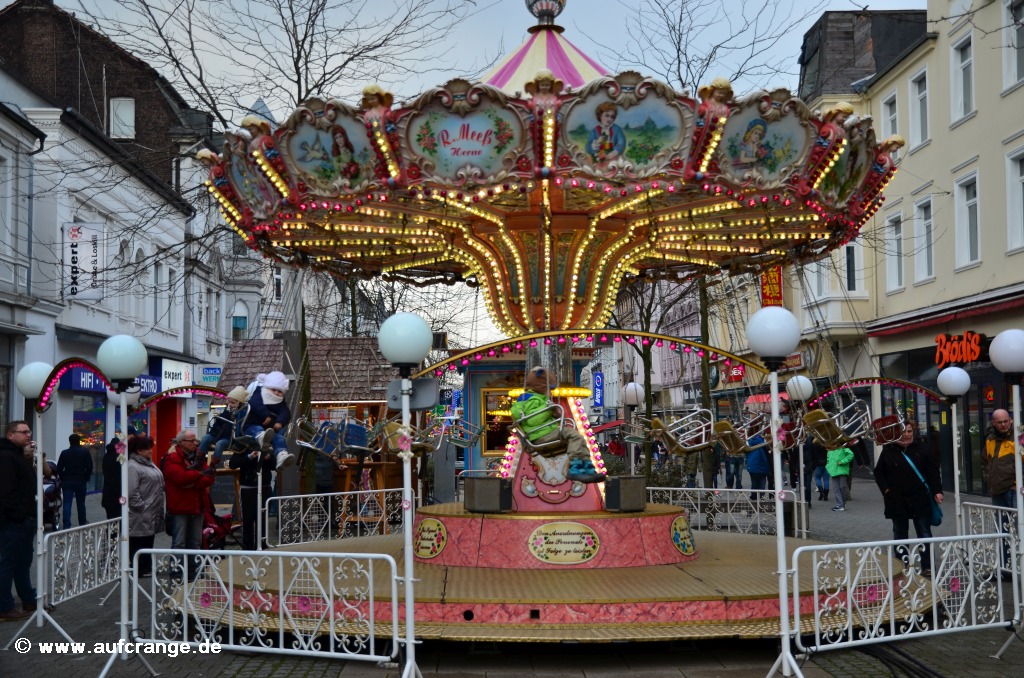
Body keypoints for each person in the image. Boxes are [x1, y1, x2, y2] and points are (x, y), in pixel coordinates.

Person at [510, 366, 604, 483]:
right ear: (541, 387)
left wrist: (554, 414)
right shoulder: (531, 400)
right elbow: (533, 420)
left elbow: (540, 417)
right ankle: (576, 469)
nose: (550, 392)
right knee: (575, 436)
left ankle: (587, 469)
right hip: (540, 436)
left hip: (542, 433)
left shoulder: (537, 399)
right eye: (549, 389)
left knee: (576, 440)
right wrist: (549, 409)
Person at [874, 422, 943, 575]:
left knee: (924, 533)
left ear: (913, 432)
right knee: (900, 534)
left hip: (920, 498)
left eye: (909, 431)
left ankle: (928, 567)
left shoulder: (923, 448)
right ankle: (901, 567)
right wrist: (886, 490)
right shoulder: (889, 449)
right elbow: (879, 472)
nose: (906, 435)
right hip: (897, 499)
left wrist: (937, 491)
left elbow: (933, 472)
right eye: (903, 431)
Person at [162, 429, 215, 574]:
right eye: (191, 441)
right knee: (179, 541)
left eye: (195, 440)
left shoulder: (198, 455)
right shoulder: (172, 457)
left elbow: (210, 476)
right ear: (181, 442)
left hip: (198, 504)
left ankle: (194, 570)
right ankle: (177, 572)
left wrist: (193, 482)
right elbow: (180, 478)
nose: (195, 443)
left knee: (196, 541)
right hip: (180, 506)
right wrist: (199, 474)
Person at [0, 420, 37, 620]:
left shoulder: (19, 455)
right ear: (11, 435)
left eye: (29, 431)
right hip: (13, 521)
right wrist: (20, 516)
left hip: (25, 519)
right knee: (8, 563)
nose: (28, 435)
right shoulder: (6, 456)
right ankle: (4, 606)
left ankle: (28, 599)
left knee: (23, 562)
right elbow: (7, 492)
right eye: (23, 432)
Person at [238, 371, 296, 470]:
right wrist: (266, 415)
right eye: (274, 390)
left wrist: (280, 421)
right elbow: (255, 403)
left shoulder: (280, 402)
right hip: (251, 426)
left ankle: (281, 455)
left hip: (269, 431)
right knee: (257, 428)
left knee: (279, 438)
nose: (276, 393)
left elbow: (285, 412)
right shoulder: (259, 393)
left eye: (280, 391)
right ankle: (261, 437)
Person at [982, 409, 1017, 570]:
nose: (1003, 425)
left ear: (1010, 420)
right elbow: (985, 462)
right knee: (1002, 531)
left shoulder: (1019, 437)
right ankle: (1005, 568)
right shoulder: (990, 439)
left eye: (1005, 421)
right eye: (999, 422)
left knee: (1018, 529)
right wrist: (988, 479)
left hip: (1014, 490)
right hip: (997, 491)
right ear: (994, 423)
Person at [126, 436, 164, 578]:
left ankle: (146, 567)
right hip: (141, 512)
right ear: (138, 450)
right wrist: (141, 506)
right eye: (146, 448)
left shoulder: (149, 463)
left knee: (148, 539)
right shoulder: (132, 466)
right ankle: (139, 568)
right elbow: (131, 490)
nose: (150, 451)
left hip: (151, 511)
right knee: (139, 541)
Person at [229, 434, 275, 550]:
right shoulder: (243, 445)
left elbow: (275, 465)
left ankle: (263, 545)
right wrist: (249, 457)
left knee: (263, 519)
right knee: (248, 520)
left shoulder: (268, 446)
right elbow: (233, 464)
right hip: (248, 488)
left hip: (265, 487)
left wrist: (268, 458)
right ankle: (248, 548)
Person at [199, 386, 249, 469]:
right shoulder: (226, 411)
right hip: (218, 434)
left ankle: (212, 466)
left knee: (220, 444)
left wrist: (233, 415)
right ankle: (199, 461)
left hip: (229, 438)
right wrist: (211, 434)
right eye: (229, 402)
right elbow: (218, 424)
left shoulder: (241, 414)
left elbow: (237, 429)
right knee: (205, 438)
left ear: (239, 403)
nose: (230, 404)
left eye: (233, 403)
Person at [57, 433, 93, 527]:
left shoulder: (64, 453)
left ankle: (66, 525)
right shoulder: (85, 452)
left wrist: (63, 477)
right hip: (80, 480)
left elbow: (59, 468)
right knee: (81, 503)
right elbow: (89, 467)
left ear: (70, 442)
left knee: (67, 503)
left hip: (67, 481)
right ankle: (82, 522)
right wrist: (86, 477)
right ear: (79, 441)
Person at [102, 426, 136, 520]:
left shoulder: (106, 456)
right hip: (118, 493)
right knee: (119, 518)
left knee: (111, 518)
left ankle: (112, 529)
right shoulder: (120, 456)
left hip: (108, 493)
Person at [587, 102, 626, 167]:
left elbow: (621, 143)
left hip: (613, 157)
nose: (609, 119)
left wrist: (614, 152)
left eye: (612, 117)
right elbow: (588, 147)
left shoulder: (617, 129)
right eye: (607, 115)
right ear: (600, 116)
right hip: (599, 157)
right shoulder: (595, 130)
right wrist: (597, 143)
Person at [826, 445, 854, 512]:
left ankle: (841, 505)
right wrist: (828, 467)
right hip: (833, 471)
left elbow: (851, 455)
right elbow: (828, 459)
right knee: (836, 489)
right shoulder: (830, 449)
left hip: (842, 471)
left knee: (842, 487)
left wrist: (842, 462)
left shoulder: (843, 447)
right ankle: (840, 505)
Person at [746, 432, 770, 499]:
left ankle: (754, 496)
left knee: (754, 483)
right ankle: (761, 497)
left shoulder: (749, 443)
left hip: (752, 466)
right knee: (762, 483)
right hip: (763, 467)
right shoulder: (763, 443)